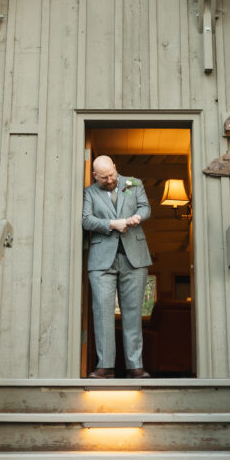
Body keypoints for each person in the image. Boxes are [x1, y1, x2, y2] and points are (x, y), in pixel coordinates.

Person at [82, 155, 152, 378]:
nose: (110, 180)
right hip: (102, 261)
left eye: (111, 175)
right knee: (102, 313)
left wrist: (136, 218)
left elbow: (145, 207)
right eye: (104, 178)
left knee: (132, 313)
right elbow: (86, 220)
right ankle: (105, 366)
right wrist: (112, 224)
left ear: (115, 167)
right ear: (95, 176)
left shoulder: (133, 183)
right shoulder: (89, 192)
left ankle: (135, 366)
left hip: (135, 258)